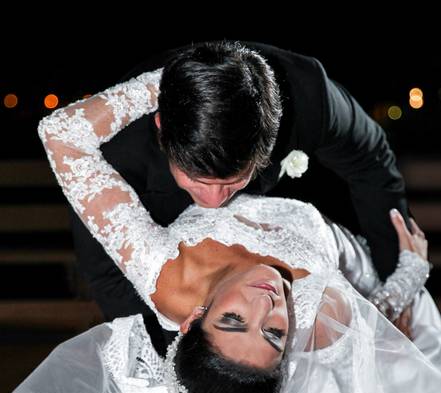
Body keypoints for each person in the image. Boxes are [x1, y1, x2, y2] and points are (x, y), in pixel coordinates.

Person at [0, 66, 441, 393]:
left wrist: (173, 87)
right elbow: (385, 328)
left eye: (233, 320)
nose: (267, 303)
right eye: (274, 335)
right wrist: (410, 269)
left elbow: (61, 134)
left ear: (192, 318)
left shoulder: (164, 271)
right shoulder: (317, 321)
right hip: (367, 276)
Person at [69, 39, 413, 341]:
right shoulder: (115, 147)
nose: (215, 200)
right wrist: (173, 360)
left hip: (296, 247)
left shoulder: (309, 95)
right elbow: (106, 273)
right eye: (197, 181)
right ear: (161, 130)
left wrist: (395, 276)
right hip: (188, 280)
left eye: (233, 181)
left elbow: (373, 166)